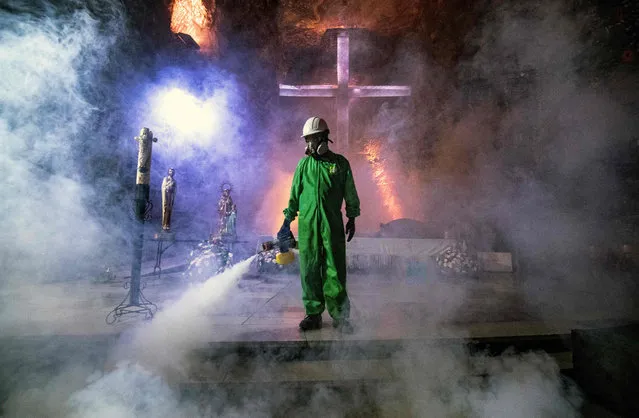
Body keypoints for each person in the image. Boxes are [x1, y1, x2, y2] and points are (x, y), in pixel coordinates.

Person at [278, 117, 360, 333]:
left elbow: (350, 192)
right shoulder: (303, 165)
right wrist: (286, 222)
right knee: (310, 270)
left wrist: (352, 217)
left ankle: (340, 317)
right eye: (306, 140)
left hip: (332, 226)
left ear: (324, 138)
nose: (309, 145)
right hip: (308, 227)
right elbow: (294, 196)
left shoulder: (340, 164)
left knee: (335, 270)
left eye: (312, 139)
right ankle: (313, 314)